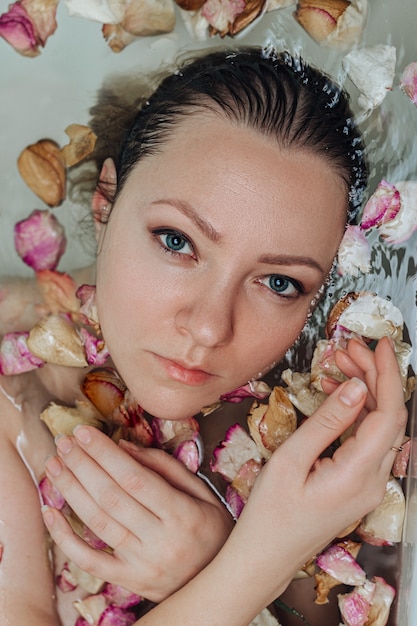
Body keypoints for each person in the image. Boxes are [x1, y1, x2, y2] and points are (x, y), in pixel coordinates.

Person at [0, 46, 407, 626]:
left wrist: (223, 568)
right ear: (103, 205)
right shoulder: (12, 415)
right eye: (176, 241)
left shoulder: (341, 447)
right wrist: (250, 563)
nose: (211, 327)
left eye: (279, 282)